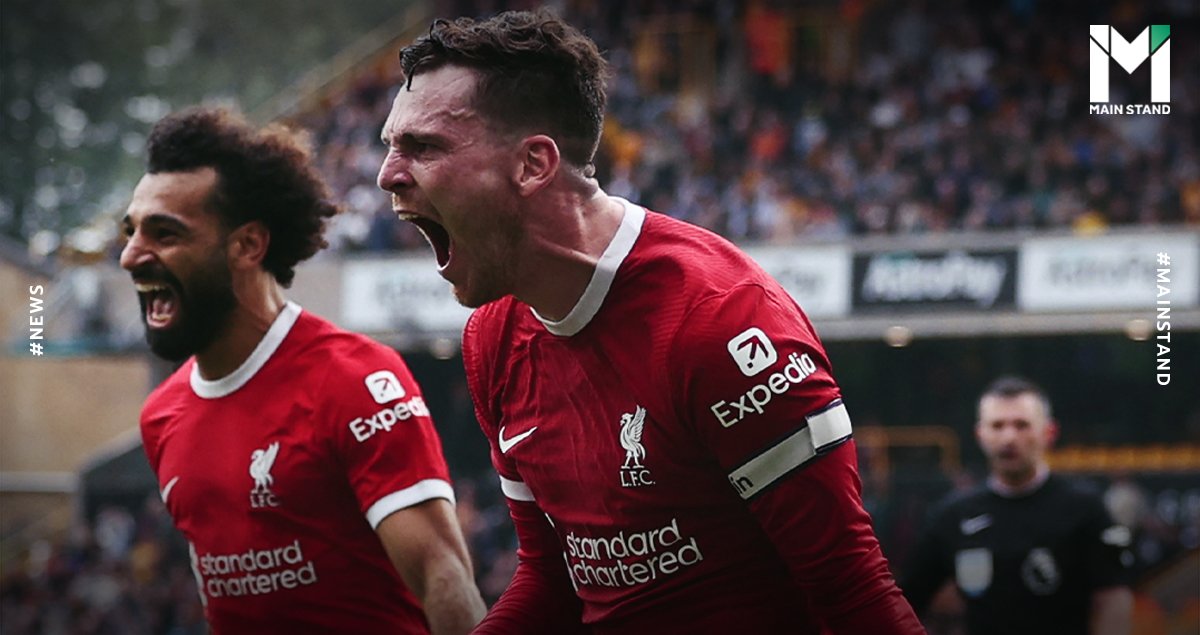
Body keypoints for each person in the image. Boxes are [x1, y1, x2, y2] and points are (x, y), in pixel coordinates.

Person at [376, 10, 923, 634]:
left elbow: (853, 593)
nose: (387, 174)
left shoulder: (721, 323)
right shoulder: (493, 335)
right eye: (390, 145)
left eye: (423, 147)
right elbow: (552, 578)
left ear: (532, 164)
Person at [121, 107, 486, 634]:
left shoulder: (354, 378)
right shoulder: (161, 416)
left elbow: (443, 579)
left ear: (248, 245)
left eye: (164, 234)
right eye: (131, 232)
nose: (131, 255)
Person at [902, 376, 1133, 635]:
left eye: (1022, 425)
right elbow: (906, 600)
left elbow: (1113, 600)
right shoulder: (953, 516)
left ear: (1049, 433)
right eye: (997, 426)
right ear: (980, 434)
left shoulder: (1085, 509)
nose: (1009, 437)